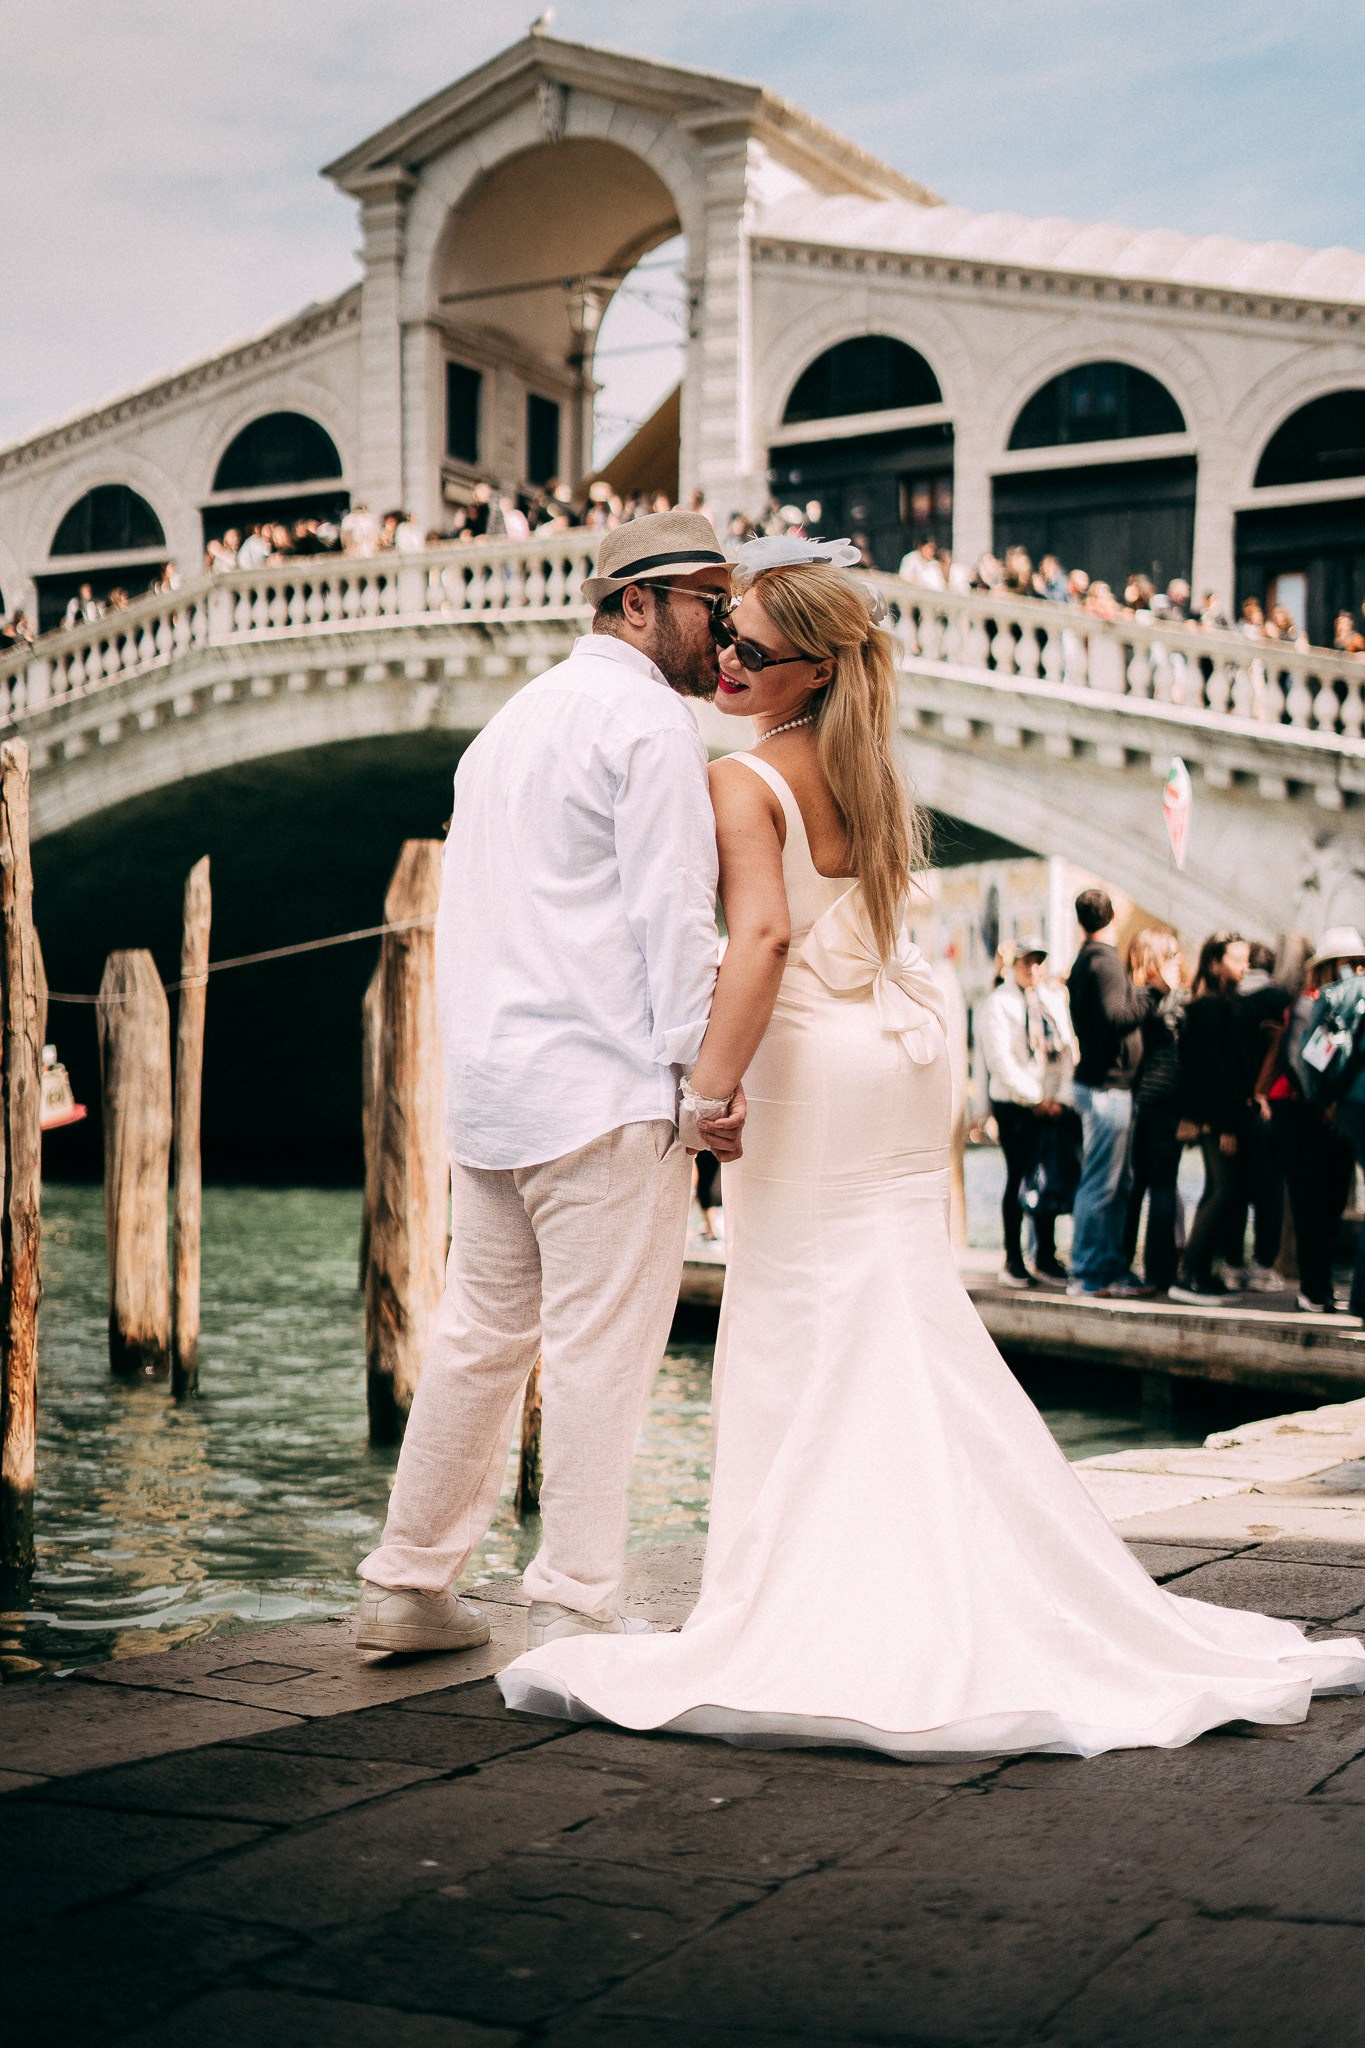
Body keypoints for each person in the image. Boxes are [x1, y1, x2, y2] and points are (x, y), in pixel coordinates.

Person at [496, 532, 1363, 1756]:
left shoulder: (744, 782)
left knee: (799, 1310)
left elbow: (760, 945)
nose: (728, 660)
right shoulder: (875, 774)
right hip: (900, 1061)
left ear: (808, 669)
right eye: (727, 633)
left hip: (813, 1062)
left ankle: (826, 1586)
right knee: (892, 1305)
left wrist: (705, 1092)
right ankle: (932, 1558)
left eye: (753, 646)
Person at [354, 511, 738, 1657]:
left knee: (478, 1336)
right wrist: (704, 1079)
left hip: (493, 1094)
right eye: (706, 602)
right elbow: (674, 921)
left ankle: (407, 1581)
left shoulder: (505, 729)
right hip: (607, 1091)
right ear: (633, 603)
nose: (723, 626)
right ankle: (574, 1597)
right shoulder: (652, 726)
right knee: (598, 1348)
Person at [1261, 928, 1362, 1313]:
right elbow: (1300, 1061)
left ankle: (1318, 1287)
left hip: (1327, 1112)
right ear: (1327, 968)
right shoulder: (1309, 1003)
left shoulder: (1346, 1004)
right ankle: (1312, 1288)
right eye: (1348, 964)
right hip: (1300, 1113)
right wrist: (1322, 1101)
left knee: (1332, 1200)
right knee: (1309, 1203)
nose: (1355, 971)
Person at [1065, 888, 1156, 1296]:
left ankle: (1109, 1266)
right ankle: (1086, 1271)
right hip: (1107, 1086)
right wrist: (1152, 994)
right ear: (1114, 915)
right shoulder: (1103, 963)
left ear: (1080, 921)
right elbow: (1115, 1018)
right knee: (1102, 1183)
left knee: (1116, 1183)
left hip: (1104, 1085)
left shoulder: (1087, 961)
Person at [977, 937, 1076, 1287]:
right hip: (1016, 1106)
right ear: (1012, 965)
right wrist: (1035, 1098)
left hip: (1050, 1106)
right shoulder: (998, 1004)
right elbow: (1000, 1061)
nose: (1032, 969)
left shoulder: (1051, 1000)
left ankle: (1045, 1255)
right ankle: (1013, 1258)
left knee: (1048, 1176)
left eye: (1037, 962)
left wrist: (1058, 1098)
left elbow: (1065, 1051)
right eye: (1025, 962)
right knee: (1018, 1178)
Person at [1168, 933, 1250, 1304]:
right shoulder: (1210, 1008)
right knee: (1223, 1190)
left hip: (1216, 1117)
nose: (1243, 967)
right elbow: (1213, 1074)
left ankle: (1198, 1272)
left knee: (1219, 1190)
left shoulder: (1212, 1006)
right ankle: (1190, 1275)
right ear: (1215, 963)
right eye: (1236, 959)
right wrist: (1224, 1125)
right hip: (1218, 1120)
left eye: (1245, 959)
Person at [1123, 928, 1188, 1294]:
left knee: (1148, 1186)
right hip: (1165, 1102)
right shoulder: (1178, 999)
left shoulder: (1150, 998)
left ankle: (1149, 1271)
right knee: (1159, 1184)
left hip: (1151, 1101)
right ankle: (1158, 1271)